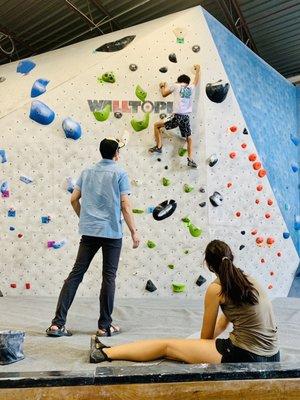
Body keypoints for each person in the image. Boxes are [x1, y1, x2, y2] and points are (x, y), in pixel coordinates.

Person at [91, 240, 280, 363]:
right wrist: (194, 347)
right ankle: (106, 351)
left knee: (166, 346)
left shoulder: (216, 288)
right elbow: (224, 322)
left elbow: (206, 337)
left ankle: (105, 352)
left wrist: (191, 348)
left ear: (207, 264)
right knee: (180, 348)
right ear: (231, 257)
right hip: (273, 354)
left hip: (247, 355)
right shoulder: (245, 279)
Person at [46, 138, 140, 338]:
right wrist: (134, 231)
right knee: (109, 277)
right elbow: (125, 205)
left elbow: (73, 199)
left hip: (89, 231)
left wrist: (85, 218)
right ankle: (104, 326)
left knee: (75, 274)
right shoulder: (120, 173)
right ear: (116, 154)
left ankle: (57, 324)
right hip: (112, 232)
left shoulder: (86, 172)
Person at [149, 64, 201, 169]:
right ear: (187, 82)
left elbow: (164, 94)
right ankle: (190, 159)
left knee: (156, 125)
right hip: (186, 117)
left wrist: (162, 86)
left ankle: (159, 147)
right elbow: (196, 80)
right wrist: (198, 69)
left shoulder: (176, 85)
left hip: (177, 116)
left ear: (179, 81)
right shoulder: (191, 87)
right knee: (189, 138)